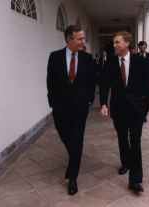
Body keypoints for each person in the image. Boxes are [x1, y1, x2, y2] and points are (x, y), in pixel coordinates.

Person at [100, 31, 149, 194]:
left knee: (135, 142)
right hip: (118, 109)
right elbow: (104, 83)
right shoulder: (110, 62)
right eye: (114, 42)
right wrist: (103, 103)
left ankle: (135, 180)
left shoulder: (140, 61)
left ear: (127, 44)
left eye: (117, 42)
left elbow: (148, 84)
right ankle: (125, 163)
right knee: (123, 139)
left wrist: (144, 108)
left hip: (136, 110)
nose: (114, 45)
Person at [46, 25, 96, 195]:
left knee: (78, 139)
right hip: (60, 107)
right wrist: (52, 102)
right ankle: (73, 159)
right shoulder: (54, 57)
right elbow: (50, 82)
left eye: (83, 38)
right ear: (69, 39)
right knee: (66, 137)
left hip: (80, 108)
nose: (83, 41)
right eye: (80, 38)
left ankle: (73, 178)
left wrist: (89, 100)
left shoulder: (87, 58)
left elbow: (91, 81)